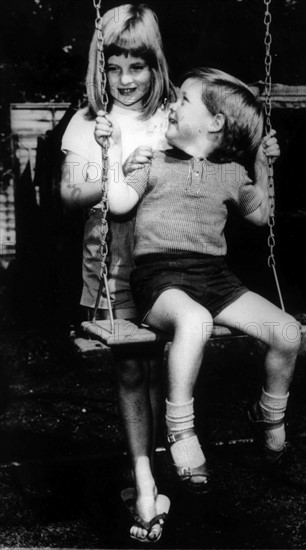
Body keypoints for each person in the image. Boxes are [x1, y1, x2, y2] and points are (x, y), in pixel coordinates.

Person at [96, 67, 301, 496]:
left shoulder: (231, 175)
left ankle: (270, 414)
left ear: (215, 122)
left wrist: (264, 166)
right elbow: (117, 203)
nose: (170, 105)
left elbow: (261, 215)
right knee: (195, 322)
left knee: (288, 331)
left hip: (215, 276)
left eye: (182, 100)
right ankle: (181, 429)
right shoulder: (152, 161)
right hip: (161, 278)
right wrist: (112, 150)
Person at [60, 4, 175, 543]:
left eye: (138, 66)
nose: (126, 80)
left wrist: (262, 154)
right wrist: (112, 175)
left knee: (161, 365)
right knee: (132, 368)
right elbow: (68, 194)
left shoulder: (174, 114)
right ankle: (144, 478)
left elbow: (219, 160)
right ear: (99, 68)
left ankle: (161, 458)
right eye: (114, 67)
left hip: (169, 254)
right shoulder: (90, 122)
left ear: (156, 66)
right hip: (113, 257)